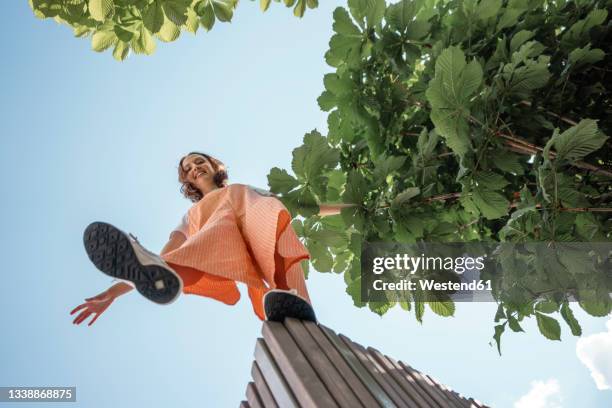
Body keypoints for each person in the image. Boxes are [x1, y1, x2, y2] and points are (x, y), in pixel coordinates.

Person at [71, 152, 353, 326]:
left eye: (199, 161)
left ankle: (295, 302)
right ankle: (155, 273)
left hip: (259, 220)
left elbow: (300, 206)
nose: (195, 167)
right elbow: (168, 252)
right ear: (188, 181)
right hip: (220, 241)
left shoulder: (244, 188)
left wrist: (351, 208)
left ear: (214, 165)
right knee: (184, 257)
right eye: (188, 168)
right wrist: (112, 293)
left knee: (277, 233)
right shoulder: (191, 215)